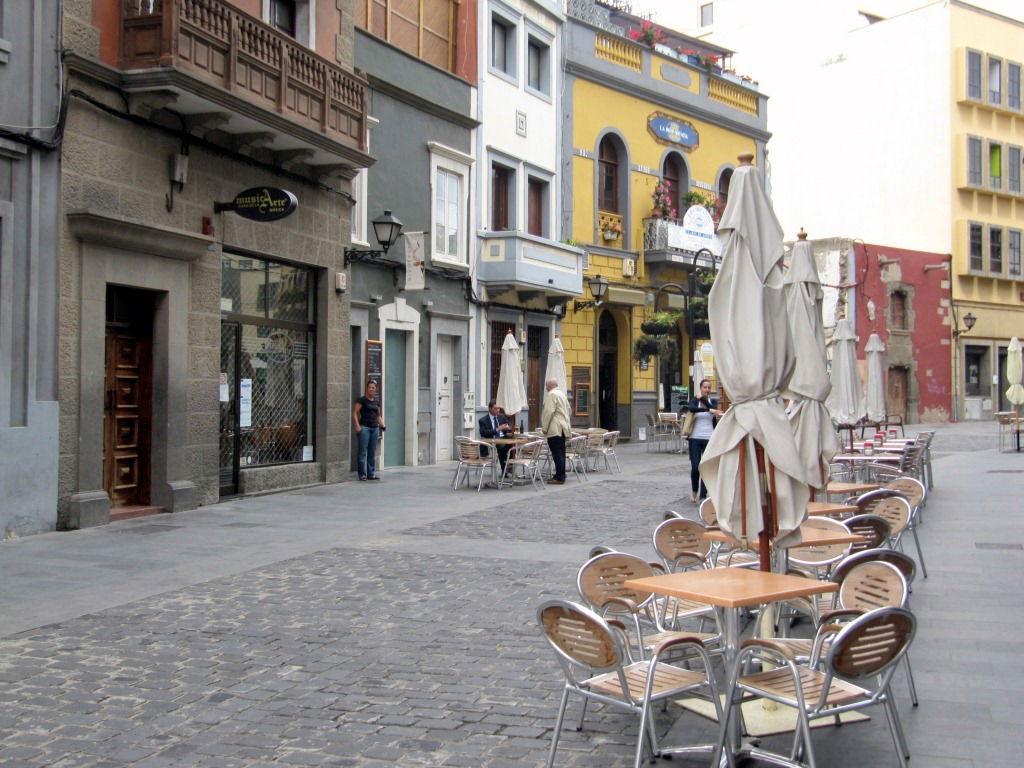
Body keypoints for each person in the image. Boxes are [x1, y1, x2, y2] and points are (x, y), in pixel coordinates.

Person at [685, 379, 723, 502]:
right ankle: (694, 490)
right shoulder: (694, 400)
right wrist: (705, 407)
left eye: (709, 387)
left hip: (709, 438)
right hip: (695, 438)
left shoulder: (713, 402)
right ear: (700, 388)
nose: (707, 389)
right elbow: (691, 408)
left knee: (706, 467)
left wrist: (704, 401)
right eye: (705, 387)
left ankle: (703, 496)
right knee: (695, 467)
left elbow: (713, 409)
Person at [352, 380, 385, 481]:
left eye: (373, 387)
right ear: (367, 389)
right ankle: (362, 474)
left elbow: (378, 416)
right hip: (364, 428)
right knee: (362, 452)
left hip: (374, 428)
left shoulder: (376, 402)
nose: (371, 389)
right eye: (369, 387)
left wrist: (383, 425)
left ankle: (371, 474)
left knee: (372, 451)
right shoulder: (362, 400)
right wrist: (357, 426)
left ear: (376, 389)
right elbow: (354, 413)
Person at [541, 378, 572, 485]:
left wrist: (544, 428)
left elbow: (548, 412)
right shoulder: (562, 394)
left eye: (546, 386)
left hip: (555, 428)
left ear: (550, 386)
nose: (546, 388)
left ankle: (559, 477)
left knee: (557, 454)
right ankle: (561, 474)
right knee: (561, 453)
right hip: (563, 427)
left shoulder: (552, 395)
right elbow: (569, 410)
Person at [478, 400, 512, 472]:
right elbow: (483, 433)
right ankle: (505, 470)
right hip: (492, 440)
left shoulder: (502, 416)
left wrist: (508, 427)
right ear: (490, 408)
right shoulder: (483, 420)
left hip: (503, 438)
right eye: (495, 408)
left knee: (512, 445)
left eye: (499, 408)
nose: (498, 410)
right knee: (502, 446)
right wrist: (497, 429)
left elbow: (509, 424)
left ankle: (509, 466)